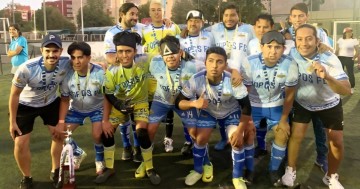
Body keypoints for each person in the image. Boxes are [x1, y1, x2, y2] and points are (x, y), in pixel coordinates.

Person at [281, 24, 351, 189]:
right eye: (299, 39)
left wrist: (327, 76)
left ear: (317, 40)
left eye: (309, 38)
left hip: (329, 104)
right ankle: (290, 170)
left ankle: (331, 177)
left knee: (337, 141)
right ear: (295, 40)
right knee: (296, 137)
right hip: (304, 103)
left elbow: (346, 90)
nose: (304, 43)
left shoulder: (329, 58)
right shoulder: (292, 53)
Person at [176, 47, 254, 189]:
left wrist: (239, 131)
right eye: (211, 61)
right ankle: (198, 170)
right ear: (205, 62)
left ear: (225, 65)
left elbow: (247, 107)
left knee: (237, 141)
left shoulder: (233, 81)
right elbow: (179, 102)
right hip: (209, 112)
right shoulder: (196, 79)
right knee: (199, 139)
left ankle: (237, 177)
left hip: (231, 112)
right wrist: (193, 103)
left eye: (219, 62)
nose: (214, 65)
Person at [96, 31, 161, 185]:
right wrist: (113, 111)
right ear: (116, 52)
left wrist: (182, 53)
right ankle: (110, 169)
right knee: (106, 133)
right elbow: (108, 93)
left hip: (140, 103)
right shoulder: (112, 71)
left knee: (141, 133)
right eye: (120, 51)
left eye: (128, 51)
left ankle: (150, 168)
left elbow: (163, 54)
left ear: (135, 52)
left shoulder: (144, 61)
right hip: (119, 104)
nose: (124, 55)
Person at [9, 33, 71, 189]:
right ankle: (27, 177)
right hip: (25, 104)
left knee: (58, 136)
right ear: (42, 51)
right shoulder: (26, 68)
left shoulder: (66, 63)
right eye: (47, 50)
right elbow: (14, 95)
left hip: (50, 102)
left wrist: (61, 122)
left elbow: (83, 62)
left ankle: (55, 170)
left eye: (55, 51)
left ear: (61, 51)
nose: (51, 54)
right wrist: (12, 122)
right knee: (20, 144)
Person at [136, 35, 198, 183]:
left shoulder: (191, 65)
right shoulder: (154, 62)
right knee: (149, 130)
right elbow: (132, 60)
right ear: (161, 54)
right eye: (166, 54)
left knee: (196, 132)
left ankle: (205, 163)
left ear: (180, 52)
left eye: (174, 53)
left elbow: (211, 65)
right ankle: (146, 161)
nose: (170, 57)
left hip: (183, 101)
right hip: (161, 101)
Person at [242, 31, 298, 186]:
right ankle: (249, 169)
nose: (273, 51)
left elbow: (289, 96)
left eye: (278, 47)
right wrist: (247, 118)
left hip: (276, 106)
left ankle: (273, 170)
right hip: (254, 105)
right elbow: (244, 93)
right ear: (261, 47)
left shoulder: (290, 64)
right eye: (269, 47)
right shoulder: (249, 62)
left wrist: (284, 120)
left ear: (283, 48)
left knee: (282, 134)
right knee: (247, 135)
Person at [288, 2, 330, 173]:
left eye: (301, 16)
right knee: (293, 129)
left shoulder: (319, 33)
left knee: (320, 129)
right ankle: (289, 162)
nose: (297, 19)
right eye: (294, 16)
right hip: (297, 90)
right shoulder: (285, 35)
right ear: (290, 18)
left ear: (307, 17)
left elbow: (328, 51)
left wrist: (326, 48)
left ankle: (322, 157)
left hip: (317, 89)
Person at [210, 3, 255, 150]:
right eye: (226, 15)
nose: (229, 18)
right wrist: (183, 31)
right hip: (223, 75)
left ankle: (252, 141)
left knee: (243, 108)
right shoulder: (215, 29)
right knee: (223, 107)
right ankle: (225, 138)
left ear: (238, 16)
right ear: (222, 16)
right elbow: (198, 33)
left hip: (242, 77)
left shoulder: (248, 29)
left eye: (233, 15)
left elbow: (261, 39)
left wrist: (286, 35)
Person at [103, 2, 143, 163]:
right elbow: (110, 57)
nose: (135, 17)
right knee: (123, 116)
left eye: (136, 14)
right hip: (120, 79)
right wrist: (128, 63)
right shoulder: (111, 33)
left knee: (137, 114)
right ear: (122, 14)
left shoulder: (140, 28)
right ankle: (126, 146)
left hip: (138, 79)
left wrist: (169, 22)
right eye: (132, 14)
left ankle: (138, 147)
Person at [58, 42, 105, 177]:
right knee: (62, 133)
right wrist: (61, 120)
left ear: (89, 58)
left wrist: (106, 118)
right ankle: (77, 152)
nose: (76, 61)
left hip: (97, 108)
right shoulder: (67, 76)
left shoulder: (100, 72)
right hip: (77, 109)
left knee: (97, 135)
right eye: (73, 58)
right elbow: (65, 100)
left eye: (80, 57)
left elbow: (108, 96)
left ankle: (99, 160)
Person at [142, 0, 181, 153]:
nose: (156, 12)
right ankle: (150, 140)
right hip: (151, 74)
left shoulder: (172, 27)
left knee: (169, 105)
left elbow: (181, 42)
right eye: (153, 10)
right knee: (153, 109)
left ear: (163, 12)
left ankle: (168, 139)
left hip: (169, 74)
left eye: (159, 10)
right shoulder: (144, 30)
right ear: (149, 12)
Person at [178, 9, 215, 155]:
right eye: (191, 21)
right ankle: (188, 141)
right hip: (187, 80)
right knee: (187, 111)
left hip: (206, 79)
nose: (194, 23)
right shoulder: (179, 38)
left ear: (202, 22)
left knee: (206, 110)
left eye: (197, 21)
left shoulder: (210, 36)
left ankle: (204, 140)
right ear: (186, 23)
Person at [247, 13, 274, 158]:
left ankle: (282, 151)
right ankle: (261, 145)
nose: (262, 30)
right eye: (259, 27)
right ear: (254, 27)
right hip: (256, 92)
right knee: (258, 122)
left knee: (279, 124)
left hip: (274, 92)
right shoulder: (251, 43)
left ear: (272, 28)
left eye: (265, 27)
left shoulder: (279, 42)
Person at [336, 27, 359, 94]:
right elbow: (337, 50)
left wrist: (354, 57)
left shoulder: (354, 40)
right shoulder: (340, 40)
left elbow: (357, 50)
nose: (350, 33)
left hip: (349, 58)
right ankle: (341, 87)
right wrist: (335, 56)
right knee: (340, 74)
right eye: (348, 32)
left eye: (351, 32)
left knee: (350, 73)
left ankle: (351, 87)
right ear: (345, 33)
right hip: (340, 58)